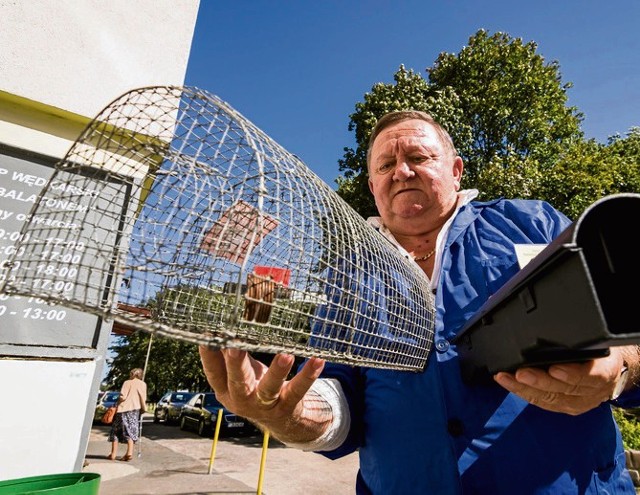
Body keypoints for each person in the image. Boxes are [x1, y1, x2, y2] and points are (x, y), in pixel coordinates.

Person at [199, 111, 640, 493]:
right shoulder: (348, 277)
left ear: (456, 171)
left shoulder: (531, 224)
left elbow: (629, 326)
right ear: (372, 186)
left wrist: (622, 368)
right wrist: (289, 413)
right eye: (386, 164)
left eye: (419, 157)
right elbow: (335, 394)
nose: (401, 172)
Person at [108, 367, 147, 461]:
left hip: (124, 409)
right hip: (135, 410)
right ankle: (129, 453)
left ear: (133, 374)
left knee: (116, 431)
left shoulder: (127, 382)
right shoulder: (143, 384)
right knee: (131, 430)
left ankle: (113, 454)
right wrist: (143, 409)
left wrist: (117, 400)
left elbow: (123, 396)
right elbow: (143, 398)